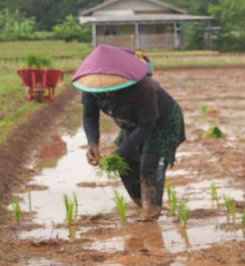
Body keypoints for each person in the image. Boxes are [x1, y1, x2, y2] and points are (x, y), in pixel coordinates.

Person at [73, 45, 186, 222]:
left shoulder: (142, 87)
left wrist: (119, 151)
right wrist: (92, 143)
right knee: (125, 162)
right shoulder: (91, 87)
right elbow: (89, 114)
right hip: (134, 125)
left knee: (150, 163)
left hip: (162, 122)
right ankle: (143, 202)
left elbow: (146, 127)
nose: (104, 90)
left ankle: (152, 210)